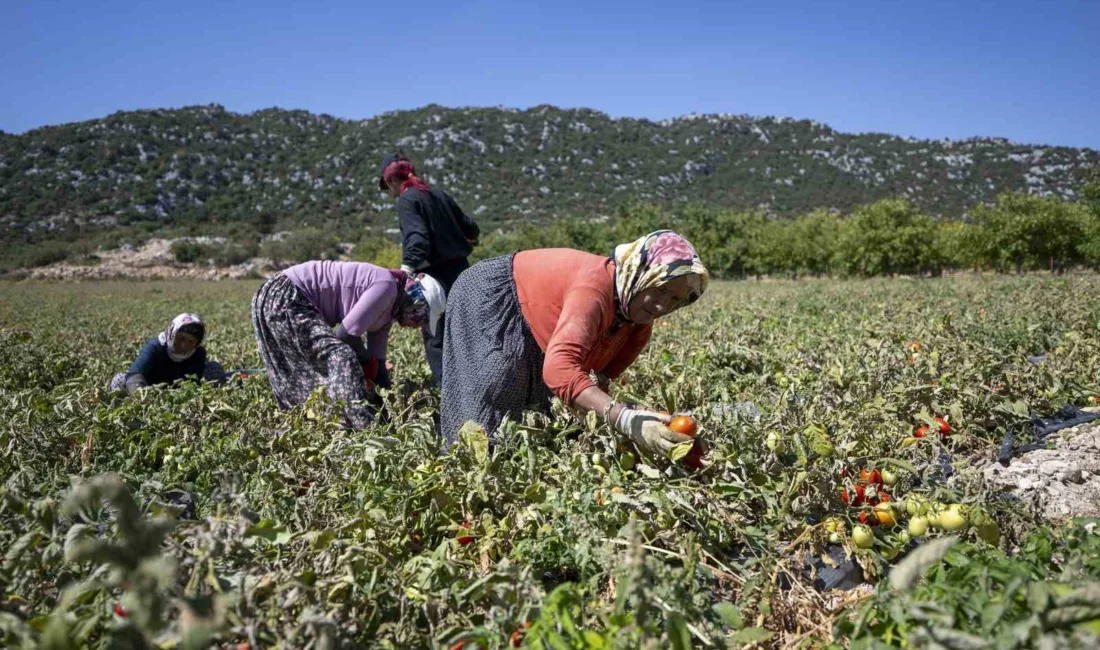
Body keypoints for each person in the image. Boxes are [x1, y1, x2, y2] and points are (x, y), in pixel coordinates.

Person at [440, 230, 709, 460]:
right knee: (496, 382)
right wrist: (627, 421)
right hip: (494, 293)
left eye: (676, 300)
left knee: (541, 408)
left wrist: (644, 420)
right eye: (660, 290)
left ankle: (515, 462)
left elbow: (595, 381)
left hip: (538, 314)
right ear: (642, 274)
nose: (664, 305)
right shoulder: (594, 289)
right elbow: (560, 371)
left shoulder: (638, 319)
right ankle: (464, 470)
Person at [251, 260, 445, 429]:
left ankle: (319, 421)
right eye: (421, 317)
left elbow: (379, 365)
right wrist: (367, 360)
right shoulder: (386, 287)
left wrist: (387, 402)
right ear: (417, 301)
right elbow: (345, 335)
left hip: (283, 296)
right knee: (341, 356)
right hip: (286, 294)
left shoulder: (387, 315)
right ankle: (363, 426)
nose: (416, 325)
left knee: (314, 367)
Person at [379, 152, 479, 383]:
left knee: (437, 340)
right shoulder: (438, 194)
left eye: (387, 186)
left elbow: (418, 238)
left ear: (393, 180)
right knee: (465, 335)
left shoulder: (407, 200)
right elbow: (471, 227)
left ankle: (450, 399)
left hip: (435, 280)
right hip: (463, 273)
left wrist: (406, 272)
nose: (390, 191)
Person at [109, 313, 225, 394]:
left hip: (181, 396)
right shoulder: (155, 347)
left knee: (214, 369)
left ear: (196, 344)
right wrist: (142, 399)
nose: (183, 345)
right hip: (149, 392)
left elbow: (192, 383)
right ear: (171, 333)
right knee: (120, 380)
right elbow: (134, 374)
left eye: (190, 341)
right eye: (180, 338)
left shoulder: (198, 353)